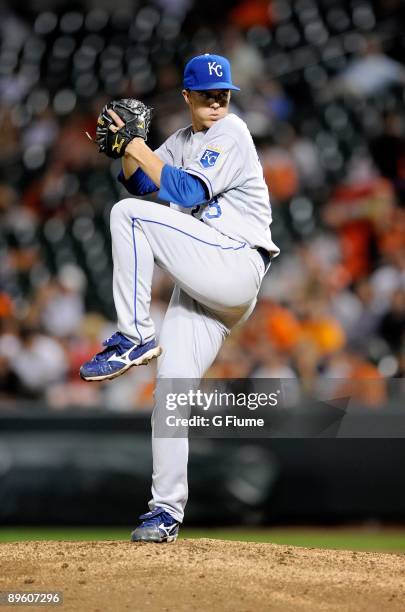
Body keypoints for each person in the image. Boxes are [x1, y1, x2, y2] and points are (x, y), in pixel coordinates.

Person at [80, 54, 280, 542]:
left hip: (236, 262)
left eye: (223, 93)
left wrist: (137, 144)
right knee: (171, 395)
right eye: (207, 94)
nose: (216, 101)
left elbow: (187, 190)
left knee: (127, 216)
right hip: (206, 285)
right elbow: (139, 179)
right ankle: (165, 512)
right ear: (187, 97)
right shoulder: (183, 140)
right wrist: (132, 148)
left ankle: (134, 336)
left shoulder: (232, 132)